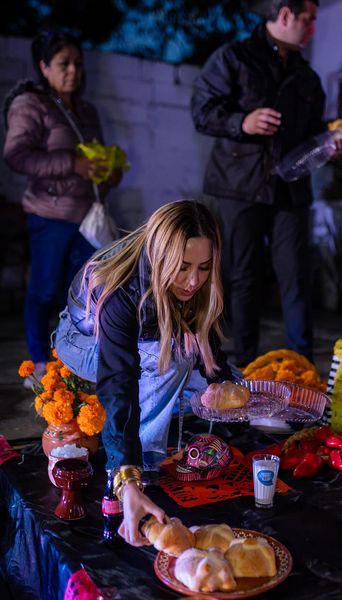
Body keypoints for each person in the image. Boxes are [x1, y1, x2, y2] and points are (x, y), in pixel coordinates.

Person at [54, 200, 236, 546]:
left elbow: (202, 330)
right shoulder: (121, 290)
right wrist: (127, 476)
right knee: (171, 358)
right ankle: (144, 461)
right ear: (161, 257)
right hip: (81, 341)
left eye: (204, 267)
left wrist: (220, 381)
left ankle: (168, 410)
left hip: (145, 333)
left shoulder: (191, 280)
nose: (195, 280)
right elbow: (118, 380)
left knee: (208, 375)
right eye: (183, 268)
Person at [191, 0, 342, 367]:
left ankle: (302, 368)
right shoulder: (234, 57)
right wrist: (242, 122)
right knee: (243, 276)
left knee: (296, 276)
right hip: (240, 184)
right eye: (308, 19)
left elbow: (313, 134)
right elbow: (202, 112)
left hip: (290, 188)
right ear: (284, 15)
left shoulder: (307, 77)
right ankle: (243, 366)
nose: (314, 27)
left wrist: (333, 143)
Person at [3, 31, 120, 379]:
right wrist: (72, 163)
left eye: (78, 64)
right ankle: (39, 362)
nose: (73, 71)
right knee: (44, 288)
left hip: (87, 219)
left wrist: (108, 174)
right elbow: (16, 156)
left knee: (85, 295)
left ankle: (72, 364)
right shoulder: (30, 104)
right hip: (49, 215)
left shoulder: (86, 111)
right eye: (63, 64)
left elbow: (96, 157)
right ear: (43, 66)